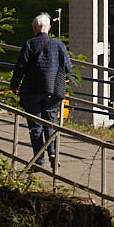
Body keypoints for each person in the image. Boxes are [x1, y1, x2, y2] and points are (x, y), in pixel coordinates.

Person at [16, 13, 71, 174]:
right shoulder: (59, 44)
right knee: (50, 122)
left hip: (31, 91)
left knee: (35, 126)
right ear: (49, 28)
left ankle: (39, 162)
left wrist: (14, 85)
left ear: (34, 29)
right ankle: (53, 152)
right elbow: (68, 67)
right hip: (53, 91)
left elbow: (20, 67)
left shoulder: (29, 44)